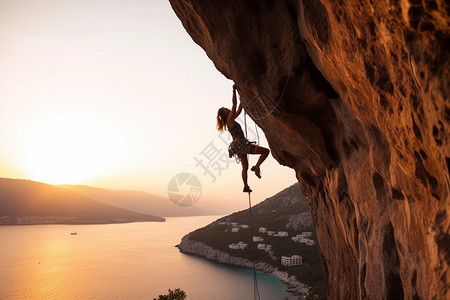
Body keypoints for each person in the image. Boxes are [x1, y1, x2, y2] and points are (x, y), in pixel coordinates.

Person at [216, 84, 270, 193]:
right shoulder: (229, 119)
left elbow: (239, 109)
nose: (228, 109)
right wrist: (234, 90)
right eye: (226, 109)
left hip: (238, 147)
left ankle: (245, 186)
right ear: (225, 114)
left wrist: (243, 97)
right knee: (266, 151)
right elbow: (234, 104)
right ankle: (257, 167)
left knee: (245, 167)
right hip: (241, 145)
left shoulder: (229, 121)